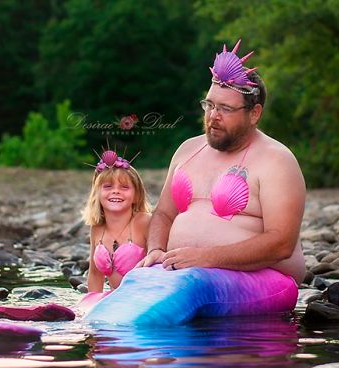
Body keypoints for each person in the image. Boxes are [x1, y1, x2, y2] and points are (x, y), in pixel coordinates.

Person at [85, 39, 306, 325]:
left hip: (266, 279)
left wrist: (205, 257)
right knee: (140, 279)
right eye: (209, 104)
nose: (213, 116)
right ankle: (88, 328)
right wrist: (155, 251)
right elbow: (163, 213)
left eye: (225, 109)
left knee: (192, 285)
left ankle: (119, 333)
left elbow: (281, 243)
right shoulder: (187, 150)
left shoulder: (277, 161)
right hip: (183, 270)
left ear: (254, 113)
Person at [81, 149, 152, 294]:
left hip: (144, 298)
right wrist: (89, 307)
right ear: (97, 194)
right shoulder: (97, 228)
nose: (116, 191)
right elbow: (95, 274)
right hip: (115, 300)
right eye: (108, 186)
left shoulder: (143, 222)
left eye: (124, 187)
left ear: (137, 195)